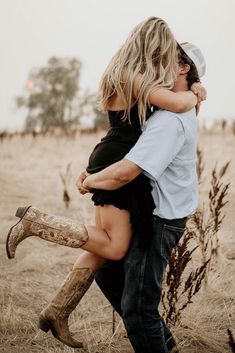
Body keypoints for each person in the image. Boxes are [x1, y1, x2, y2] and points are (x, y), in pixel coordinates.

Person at [5, 16, 206, 349]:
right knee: (113, 247)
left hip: (116, 157)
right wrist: (197, 94)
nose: (161, 60)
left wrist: (195, 94)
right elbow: (178, 105)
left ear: (183, 68)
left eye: (169, 56)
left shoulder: (137, 84)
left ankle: (58, 310)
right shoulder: (142, 83)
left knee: (105, 252)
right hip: (118, 161)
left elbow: (172, 114)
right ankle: (37, 223)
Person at [78, 42, 206, 353]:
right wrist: (197, 90)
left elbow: (126, 172)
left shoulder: (169, 120)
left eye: (163, 58)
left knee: (138, 310)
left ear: (182, 68)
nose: (153, 62)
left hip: (161, 219)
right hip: (151, 210)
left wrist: (90, 180)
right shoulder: (166, 107)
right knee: (110, 275)